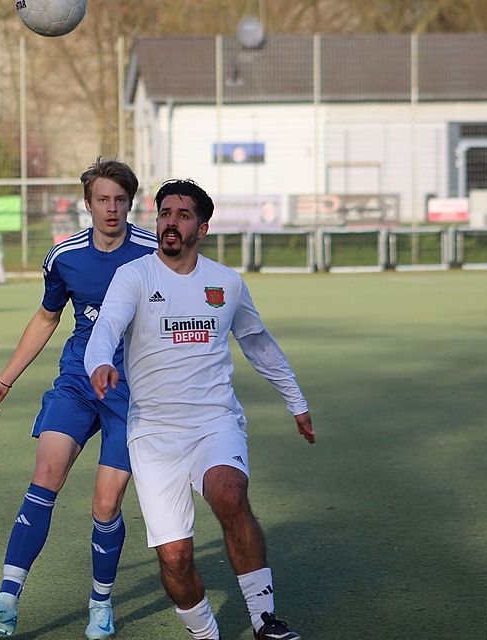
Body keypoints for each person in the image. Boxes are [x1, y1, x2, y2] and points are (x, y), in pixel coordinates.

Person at [85, 179, 315, 640]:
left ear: (202, 228)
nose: (170, 222)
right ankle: (206, 634)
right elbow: (107, 326)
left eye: (183, 215)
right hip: (153, 433)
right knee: (175, 556)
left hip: (214, 421)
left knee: (229, 493)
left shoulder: (226, 282)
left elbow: (258, 344)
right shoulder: (134, 276)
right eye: (164, 213)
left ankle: (265, 620)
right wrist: (100, 363)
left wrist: (297, 401)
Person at [0, 158, 157, 640]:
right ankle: (6, 601)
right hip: (77, 382)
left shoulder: (153, 254)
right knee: (45, 475)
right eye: (102, 199)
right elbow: (47, 318)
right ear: (87, 204)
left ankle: (100, 606)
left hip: (132, 392)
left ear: (131, 203)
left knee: (105, 506)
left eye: (120, 200)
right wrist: (4, 381)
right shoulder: (64, 257)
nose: (111, 208)